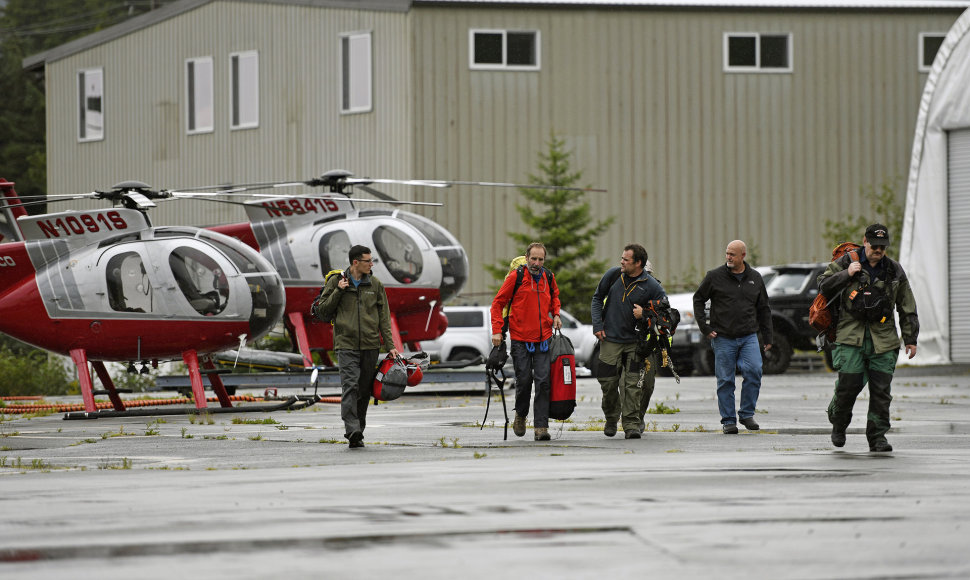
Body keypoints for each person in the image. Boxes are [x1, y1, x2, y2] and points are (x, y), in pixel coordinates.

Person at [817, 224, 918, 452]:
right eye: (874, 245)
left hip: (884, 339)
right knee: (849, 386)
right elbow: (823, 286)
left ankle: (878, 437)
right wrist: (847, 274)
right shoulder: (846, 262)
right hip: (850, 336)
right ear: (865, 241)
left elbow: (907, 305)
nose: (879, 250)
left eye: (883, 247)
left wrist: (911, 338)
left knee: (881, 391)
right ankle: (839, 423)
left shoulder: (894, 270)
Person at [313, 245, 398, 448]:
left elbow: (384, 318)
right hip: (346, 344)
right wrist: (338, 291)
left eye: (371, 260)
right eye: (368, 261)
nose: (372, 264)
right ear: (355, 262)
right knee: (350, 386)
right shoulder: (336, 281)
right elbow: (323, 311)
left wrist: (390, 345)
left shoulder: (375, 285)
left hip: (370, 345)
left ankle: (359, 428)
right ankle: (352, 430)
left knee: (364, 389)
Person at [693, 240, 772, 434]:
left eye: (732, 254)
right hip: (723, 337)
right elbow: (698, 299)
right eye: (727, 253)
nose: (728, 257)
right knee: (725, 380)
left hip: (749, 336)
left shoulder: (755, 278)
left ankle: (746, 414)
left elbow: (764, 308)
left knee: (754, 371)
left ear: (743, 256)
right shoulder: (714, 276)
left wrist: (768, 337)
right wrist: (705, 327)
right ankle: (728, 420)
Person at [591, 244, 667, 439]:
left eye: (626, 260)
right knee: (607, 383)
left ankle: (631, 425)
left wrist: (645, 314)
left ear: (638, 263)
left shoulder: (652, 285)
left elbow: (666, 312)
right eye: (622, 258)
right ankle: (611, 418)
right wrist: (598, 325)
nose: (621, 262)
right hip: (610, 339)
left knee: (633, 384)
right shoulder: (613, 275)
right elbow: (597, 298)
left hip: (635, 342)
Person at [490, 242, 562, 441]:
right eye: (533, 259)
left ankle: (541, 426)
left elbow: (555, 296)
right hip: (521, 339)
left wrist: (556, 314)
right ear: (526, 257)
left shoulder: (548, 277)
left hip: (543, 339)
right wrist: (497, 331)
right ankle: (521, 414)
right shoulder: (517, 277)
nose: (536, 263)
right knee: (524, 381)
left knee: (543, 382)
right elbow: (497, 304)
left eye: (540, 259)